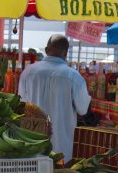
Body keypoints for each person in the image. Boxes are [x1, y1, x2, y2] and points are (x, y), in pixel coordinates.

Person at [19, 34, 91, 163]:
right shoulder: (73, 76)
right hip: (61, 148)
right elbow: (83, 109)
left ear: (46, 50)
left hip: (32, 143)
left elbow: (21, 105)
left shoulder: (28, 72)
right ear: (65, 52)